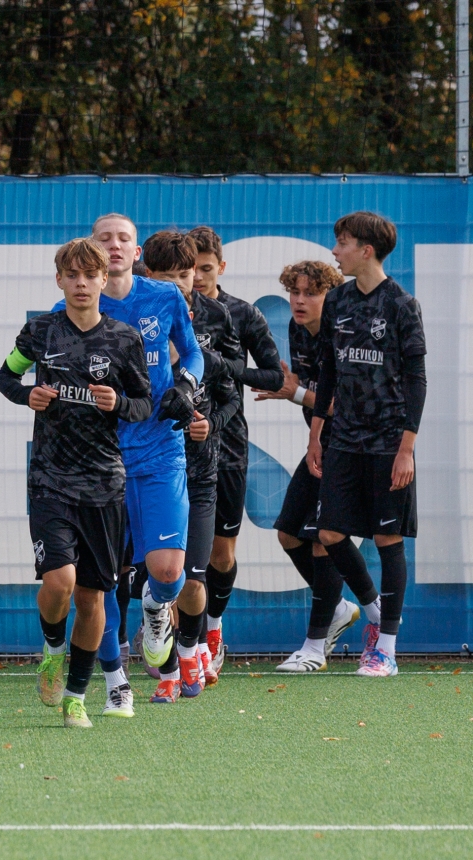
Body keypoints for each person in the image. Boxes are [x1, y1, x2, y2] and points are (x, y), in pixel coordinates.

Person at [0, 237, 153, 727]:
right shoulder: (40, 331)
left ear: (104, 280)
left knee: (91, 598)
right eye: (73, 275)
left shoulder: (125, 339)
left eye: (90, 275)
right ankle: (52, 648)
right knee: (60, 581)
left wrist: (118, 404)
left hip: (104, 484)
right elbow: (6, 377)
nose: (82, 283)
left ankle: (76, 696)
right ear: (59, 280)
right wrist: (27, 395)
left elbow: (143, 404)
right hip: (50, 478)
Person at [64, 214, 202, 717]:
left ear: (137, 251)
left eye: (124, 238)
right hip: (100, 460)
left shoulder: (164, 297)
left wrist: (186, 386)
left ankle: (155, 607)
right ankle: (115, 680)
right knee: (100, 582)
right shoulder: (70, 311)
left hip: (160, 450)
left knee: (167, 571)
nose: (115, 246)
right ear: (92, 249)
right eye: (105, 239)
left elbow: (193, 353)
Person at [305, 211, 421, 678]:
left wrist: (406, 448)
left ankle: (386, 649)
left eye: (343, 243)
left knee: (387, 538)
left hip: (389, 442)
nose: (335, 251)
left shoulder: (402, 304)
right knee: (329, 534)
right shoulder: (337, 300)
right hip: (344, 441)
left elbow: (417, 380)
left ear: (366, 250)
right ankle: (375, 611)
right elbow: (328, 370)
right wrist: (316, 433)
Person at [138, 229, 239, 701]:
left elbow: (230, 396)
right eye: (169, 276)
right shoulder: (132, 338)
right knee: (156, 579)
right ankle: (167, 672)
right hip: (150, 472)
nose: (181, 285)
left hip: (199, 475)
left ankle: (192, 650)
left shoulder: (207, 342)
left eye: (186, 275)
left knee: (194, 581)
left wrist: (209, 425)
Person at [187, 226, 288, 676]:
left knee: (221, 555)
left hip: (226, 446)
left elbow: (274, 376)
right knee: (173, 552)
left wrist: (224, 368)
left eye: (206, 269)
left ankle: (213, 628)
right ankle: (181, 643)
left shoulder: (240, 313)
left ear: (221, 267)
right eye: (190, 269)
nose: (198, 277)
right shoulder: (163, 310)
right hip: (171, 447)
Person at [257, 260, 363, 673]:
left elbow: (347, 405)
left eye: (311, 293)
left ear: (330, 296)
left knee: (324, 538)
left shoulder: (345, 333)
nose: (299, 301)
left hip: (353, 447)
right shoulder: (297, 328)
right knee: (288, 533)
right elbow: (306, 386)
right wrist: (288, 387)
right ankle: (338, 608)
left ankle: (315, 648)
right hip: (322, 445)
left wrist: (296, 393)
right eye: (294, 292)